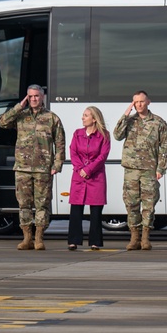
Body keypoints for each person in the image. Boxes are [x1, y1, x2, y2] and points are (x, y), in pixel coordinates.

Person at [0, 85, 66, 251]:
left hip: (43, 169)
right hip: (22, 168)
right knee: (24, 205)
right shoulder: (21, 116)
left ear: (42, 97)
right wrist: (18, 107)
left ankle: (39, 238)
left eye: (36, 96)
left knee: (42, 204)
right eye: (30, 96)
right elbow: (2, 122)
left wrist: (57, 164)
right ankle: (27, 237)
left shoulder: (52, 118)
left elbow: (60, 143)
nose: (34, 99)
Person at [114, 90, 167, 251]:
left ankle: (145, 237)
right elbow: (117, 135)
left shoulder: (158, 123)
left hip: (149, 169)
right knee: (131, 203)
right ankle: (134, 237)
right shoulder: (130, 121)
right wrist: (126, 114)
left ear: (148, 102)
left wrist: (161, 168)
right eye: (136, 102)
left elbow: (165, 147)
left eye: (141, 101)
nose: (139, 104)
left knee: (149, 204)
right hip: (131, 169)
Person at [67, 106, 111, 251]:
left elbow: (102, 156)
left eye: (86, 115)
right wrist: (81, 169)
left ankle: (95, 241)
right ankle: (73, 241)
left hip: (96, 176)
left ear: (94, 119)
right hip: (79, 176)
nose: (82, 118)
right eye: (83, 115)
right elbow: (73, 152)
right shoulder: (77, 134)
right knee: (76, 209)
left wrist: (89, 169)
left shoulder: (104, 135)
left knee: (96, 211)